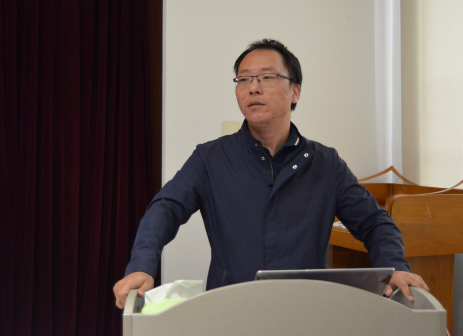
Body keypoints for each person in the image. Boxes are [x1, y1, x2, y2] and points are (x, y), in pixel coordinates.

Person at [113, 39, 428, 309]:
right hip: (231, 309)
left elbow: (374, 222)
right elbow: (165, 209)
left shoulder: (325, 163)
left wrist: (395, 267)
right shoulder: (210, 158)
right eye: (243, 79)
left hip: (307, 311)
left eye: (266, 77)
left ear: (295, 91)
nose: (253, 87)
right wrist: (141, 265)